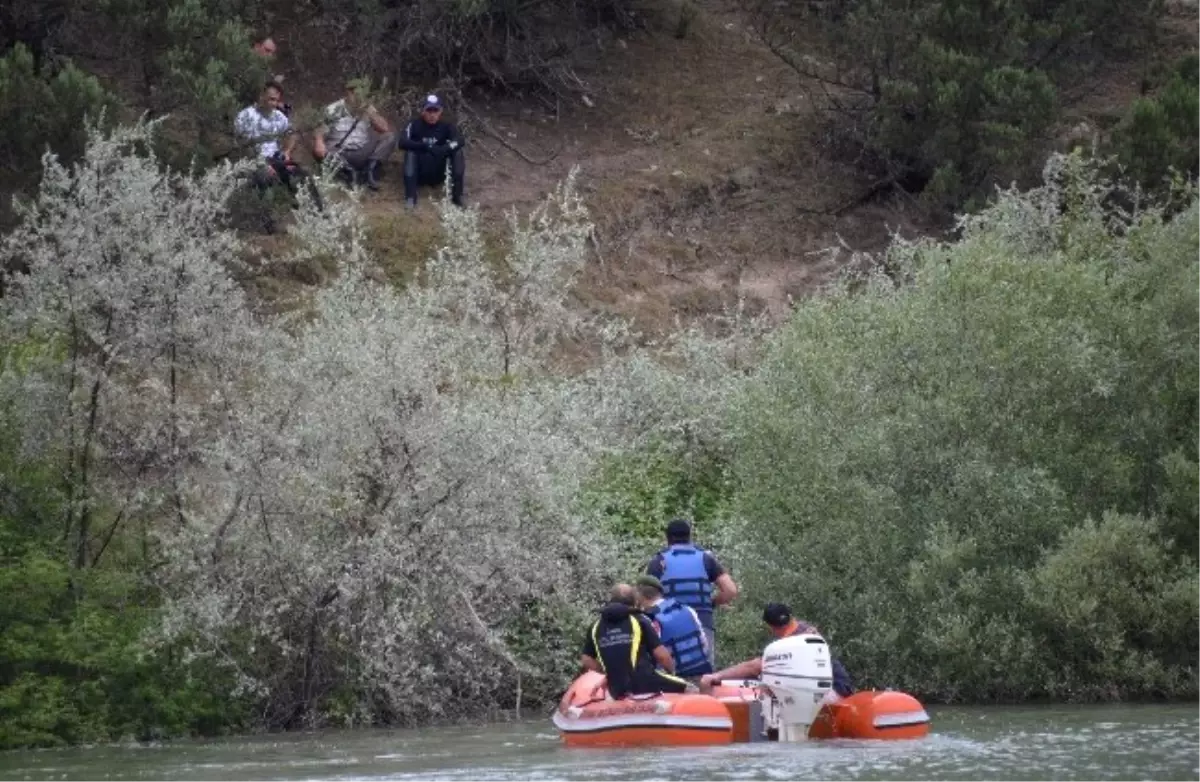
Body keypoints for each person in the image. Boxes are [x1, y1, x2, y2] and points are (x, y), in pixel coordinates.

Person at [701, 603, 855, 698]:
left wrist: (717, 676)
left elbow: (754, 666)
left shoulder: (787, 644)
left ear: (771, 627)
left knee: (764, 690)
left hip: (832, 691)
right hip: (840, 687)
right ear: (790, 617)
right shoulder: (804, 630)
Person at [645, 518, 738, 664]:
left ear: (667, 538)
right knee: (703, 674)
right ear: (689, 536)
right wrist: (711, 603)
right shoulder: (706, 558)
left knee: (670, 676)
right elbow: (731, 590)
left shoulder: (658, 561)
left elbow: (647, 598)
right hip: (702, 621)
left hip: (668, 624)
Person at [580, 584, 695, 699]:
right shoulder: (640, 619)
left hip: (616, 689)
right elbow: (662, 656)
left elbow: (586, 659)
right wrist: (672, 672)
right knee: (692, 690)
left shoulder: (595, 626)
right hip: (646, 683)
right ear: (634, 600)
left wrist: (608, 673)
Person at [234, 82, 321, 215]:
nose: (274, 103)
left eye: (276, 100)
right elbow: (240, 144)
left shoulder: (278, 116)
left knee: (302, 174)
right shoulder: (246, 116)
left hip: (275, 158)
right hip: (253, 160)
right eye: (271, 99)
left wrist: (287, 152)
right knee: (264, 177)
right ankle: (266, 222)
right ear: (262, 96)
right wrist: (260, 163)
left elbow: (292, 133)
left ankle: (317, 213)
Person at [313, 80, 397, 191]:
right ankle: (348, 174)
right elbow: (319, 131)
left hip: (361, 150)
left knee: (389, 137)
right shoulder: (333, 109)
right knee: (321, 151)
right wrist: (319, 143)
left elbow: (384, 128)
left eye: (360, 93)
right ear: (347, 92)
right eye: (354, 93)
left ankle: (370, 170)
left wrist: (370, 112)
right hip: (338, 152)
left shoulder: (368, 108)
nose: (357, 96)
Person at [634, 575, 713, 679]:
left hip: (677, 679)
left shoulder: (648, 619)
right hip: (703, 671)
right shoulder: (687, 609)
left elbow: (659, 657)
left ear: (640, 595)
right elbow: (704, 644)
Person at [399, 94, 466, 208]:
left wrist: (445, 148)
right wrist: (423, 146)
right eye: (429, 110)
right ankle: (410, 197)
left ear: (440, 111)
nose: (432, 114)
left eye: (435, 110)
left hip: (439, 172)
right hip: (420, 172)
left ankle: (457, 196)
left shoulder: (446, 126)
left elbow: (460, 140)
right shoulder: (414, 124)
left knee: (458, 153)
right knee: (410, 153)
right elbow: (402, 142)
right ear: (423, 111)